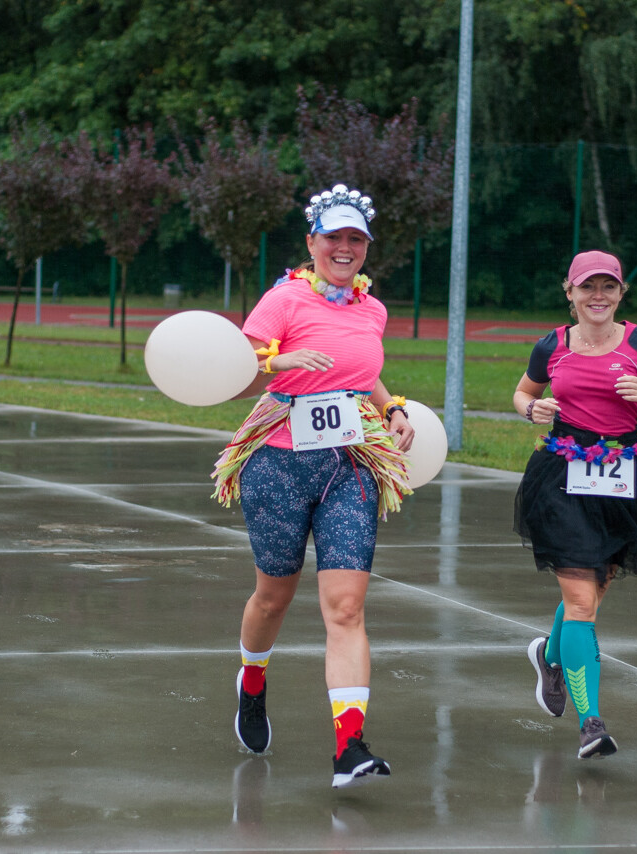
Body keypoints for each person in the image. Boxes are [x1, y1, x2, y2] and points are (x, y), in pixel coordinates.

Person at [211, 184, 415, 788]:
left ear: (366, 248)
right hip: (277, 463)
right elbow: (234, 376)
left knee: (347, 607)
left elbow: (363, 374)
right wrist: (279, 364)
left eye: (356, 239)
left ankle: (349, 747)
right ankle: (252, 678)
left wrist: (394, 406)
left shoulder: (371, 309)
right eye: (335, 237)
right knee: (273, 597)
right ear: (312, 243)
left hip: (348, 466)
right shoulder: (283, 302)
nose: (345, 248)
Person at [512, 250, 637, 759]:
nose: (598, 296)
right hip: (561, 476)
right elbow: (522, 393)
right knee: (581, 604)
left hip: (621, 480)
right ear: (569, 294)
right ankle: (591, 723)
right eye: (587, 287)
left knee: (591, 594)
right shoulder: (551, 344)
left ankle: (550, 656)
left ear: (621, 293)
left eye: (608, 287)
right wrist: (533, 408)